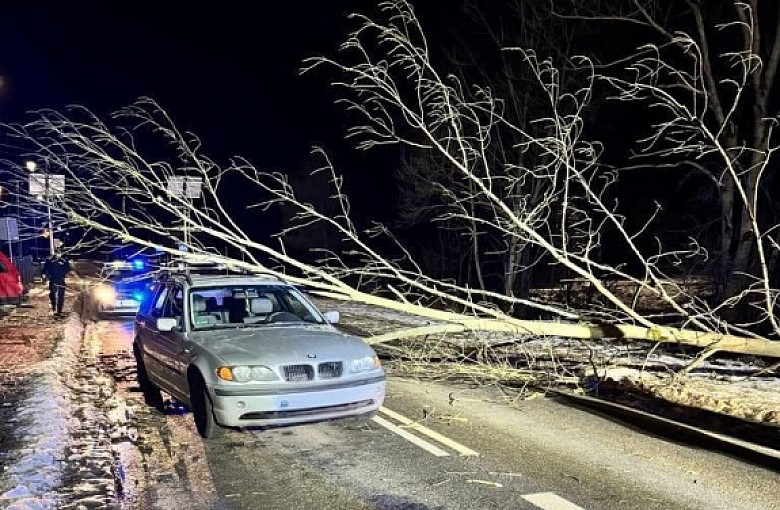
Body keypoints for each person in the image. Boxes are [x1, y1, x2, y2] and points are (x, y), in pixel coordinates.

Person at [42, 250, 70, 316]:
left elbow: (67, 268)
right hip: (53, 280)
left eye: (59, 253)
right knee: (53, 295)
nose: (58, 254)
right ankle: (53, 307)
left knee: (61, 296)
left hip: (61, 280)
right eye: (57, 253)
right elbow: (45, 267)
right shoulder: (50, 260)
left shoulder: (64, 260)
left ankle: (59, 311)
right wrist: (44, 274)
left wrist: (63, 273)